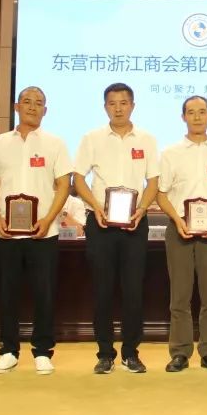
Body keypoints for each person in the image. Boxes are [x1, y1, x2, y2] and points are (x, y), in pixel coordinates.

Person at [0, 86, 71, 375]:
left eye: (39, 103)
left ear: (46, 110)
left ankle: (42, 351)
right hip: (6, 233)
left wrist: (48, 219)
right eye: (27, 102)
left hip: (43, 233)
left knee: (44, 294)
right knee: (8, 293)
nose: (33, 107)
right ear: (16, 107)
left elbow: (64, 185)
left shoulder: (55, 143)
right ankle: (9, 350)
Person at [73, 83, 159, 375]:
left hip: (135, 222)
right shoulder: (92, 138)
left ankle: (131, 353)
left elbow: (153, 182)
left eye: (123, 103)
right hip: (100, 223)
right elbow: (78, 179)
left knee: (134, 291)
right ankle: (105, 354)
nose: (118, 108)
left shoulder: (147, 139)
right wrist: (96, 207)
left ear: (132, 106)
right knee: (103, 291)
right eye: (112, 103)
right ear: (105, 107)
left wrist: (142, 209)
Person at [155, 95, 207, 373]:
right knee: (180, 296)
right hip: (179, 230)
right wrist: (177, 220)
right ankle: (180, 353)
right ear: (183, 117)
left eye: (202, 112)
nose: (197, 117)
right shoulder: (170, 153)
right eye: (191, 112)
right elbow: (161, 194)